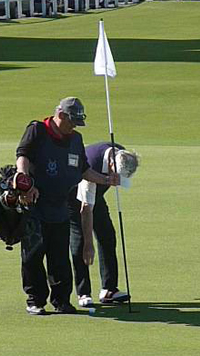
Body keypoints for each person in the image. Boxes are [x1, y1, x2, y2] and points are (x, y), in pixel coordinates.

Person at [15, 97, 119, 315]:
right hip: (35, 205)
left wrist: (107, 179)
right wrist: (24, 182)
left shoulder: (75, 139)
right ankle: (35, 300)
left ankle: (62, 301)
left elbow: (84, 171)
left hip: (61, 205)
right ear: (60, 115)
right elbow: (22, 156)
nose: (74, 127)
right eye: (72, 121)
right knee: (33, 255)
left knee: (60, 257)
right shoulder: (37, 130)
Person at [68, 143, 140, 307]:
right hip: (73, 198)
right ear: (111, 165)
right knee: (80, 242)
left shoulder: (121, 153)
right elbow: (85, 209)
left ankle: (109, 290)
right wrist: (89, 244)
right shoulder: (91, 164)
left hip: (96, 195)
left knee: (107, 236)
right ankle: (83, 292)